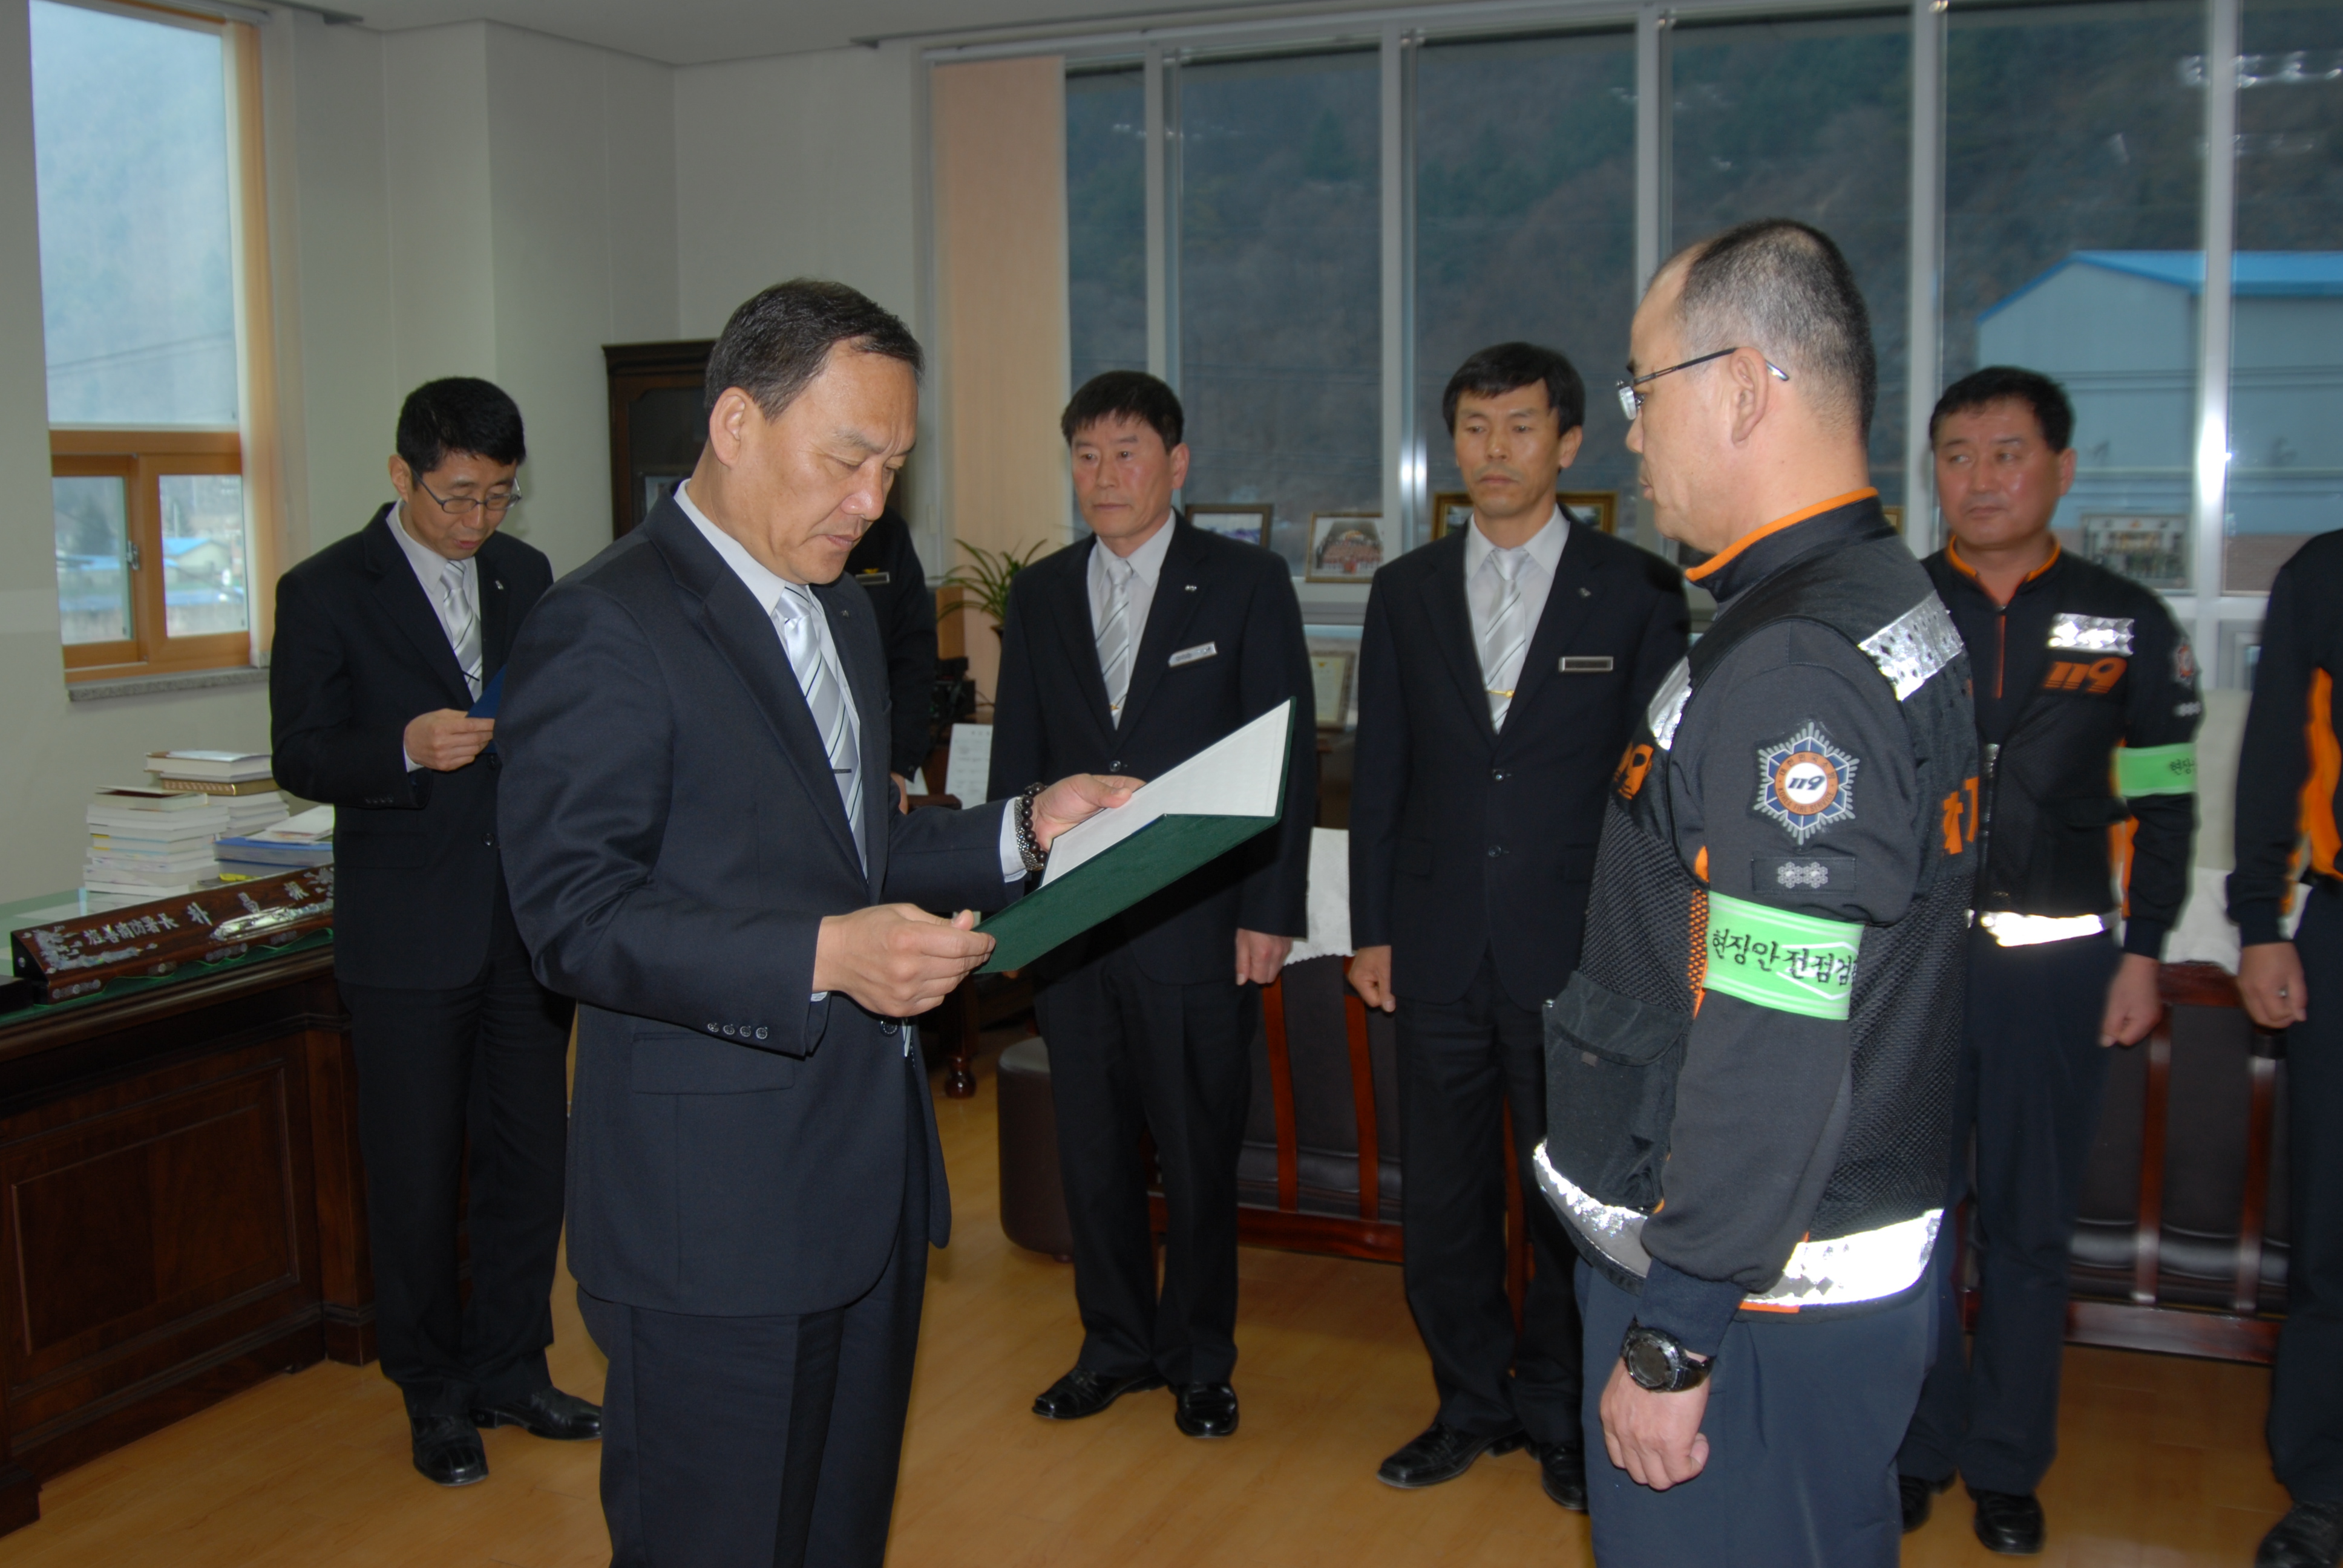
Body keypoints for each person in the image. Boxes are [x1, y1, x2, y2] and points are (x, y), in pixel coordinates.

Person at [495, 279, 1138, 1567]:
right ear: (736, 423)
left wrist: (1023, 829)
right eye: (848, 459)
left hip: (863, 1182)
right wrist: (824, 956)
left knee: (838, 1536)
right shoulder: (605, 622)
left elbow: (849, 852)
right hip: (715, 1218)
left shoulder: (839, 606)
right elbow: (572, 916)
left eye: (893, 467)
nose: (871, 501)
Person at [1533, 218, 1976, 1566]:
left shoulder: (1793, 665)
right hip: (1796, 1266)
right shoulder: (1876, 597)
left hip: (1755, 1299)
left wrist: (1674, 1335)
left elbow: (1776, 1023)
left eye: (1640, 389)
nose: (1629, 433)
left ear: (1738, 388)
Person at [1348, 342, 1686, 1509]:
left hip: (1580, 957)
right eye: (1475, 429)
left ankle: (1558, 1409)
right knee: (1443, 1196)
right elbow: (1381, 771)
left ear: (1569, 441)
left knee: (1569, 1201)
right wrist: (1373, 929)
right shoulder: (1404, 591)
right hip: (1436, 944)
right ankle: (1466, 1402)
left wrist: (1646, 947)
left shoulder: (1637, 590)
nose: (1495, 451)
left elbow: (1659, 791)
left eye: (1521, 427)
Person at [269, 377, 597, 1488]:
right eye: (458, 496)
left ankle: (513, 1366)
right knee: (415, 1173)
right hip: (406, 930)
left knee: (529, 1160)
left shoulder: (525, 574)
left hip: (520, 923)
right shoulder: (325, 589)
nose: (478, 520)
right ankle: (434, 1392)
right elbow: (301, 752)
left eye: (499, 495)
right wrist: (403, 748)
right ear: (402, 475)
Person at [1895, 367, 2199, 1553]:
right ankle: (1916, 1443)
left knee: (2027, 1228)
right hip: (1913, 973)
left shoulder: (2124, 622)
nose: (1980, 478)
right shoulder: (1891, 608)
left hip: (2058, 969)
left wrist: (2148, 950)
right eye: (1957, 455)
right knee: (1913, 1224)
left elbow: (2164, 799)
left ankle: (2007, 1463)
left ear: (2060, 470)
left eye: (2006, 452)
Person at [988, 370, 1316, 1442]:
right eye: (1085, 455)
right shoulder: (1040, 594)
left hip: (1199, 921)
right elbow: (1018, 762)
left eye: (1126, 453)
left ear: (1176, 464)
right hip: (1077, 926)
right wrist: (1014, 913)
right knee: (1090, 1147)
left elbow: (1283, 755)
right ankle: (1114, 1346)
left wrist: (1270, 910)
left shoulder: (1244, 583)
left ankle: (1200, 1359)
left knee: (1196, 1150)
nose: (1104, 476)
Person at [2230, 530, 2343, 1568]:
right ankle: (2325, 1487)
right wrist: (2260, 921)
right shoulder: (2325, 576)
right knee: (2330, 1225)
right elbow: (2276, 751)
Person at [842, 503, 937, 807]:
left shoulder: (887, 532)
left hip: (880, 753)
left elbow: (913, 655)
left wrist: (898, 764)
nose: (873, 499)